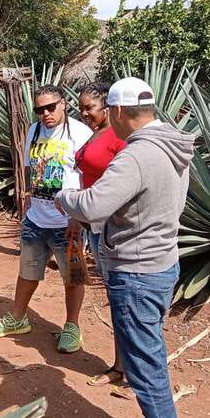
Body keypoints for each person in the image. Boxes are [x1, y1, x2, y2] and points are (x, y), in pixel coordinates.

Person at [55, 77, 195, 418]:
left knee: (145, 366)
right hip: (163, 261)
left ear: (116, 111)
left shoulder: (136, 155)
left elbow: (93, 205)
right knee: (147, 353)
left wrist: (64, 197)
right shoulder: (172, 144)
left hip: (136, 271)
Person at [0, 84, 93, 353]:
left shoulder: (81, 133)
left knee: (74, 277)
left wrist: (78, 216)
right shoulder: (33, 131)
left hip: (68, 222)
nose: (45, 113)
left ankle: (72, 326)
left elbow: (90, 175)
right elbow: (28, 165)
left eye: (50, 107)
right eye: (39, 109)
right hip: (36, 219)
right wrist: (28, 192)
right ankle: (18, 318)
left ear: (64, 104)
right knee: (28, 271)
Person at [75, 83, 127, 387]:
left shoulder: (119, 138)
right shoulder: (96, 133)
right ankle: (120, 365)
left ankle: (129, 369)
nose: (84, 114)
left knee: (121, 297)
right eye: (81, 108)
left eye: (89, 108)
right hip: (94, 226)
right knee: (114, 295)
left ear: (107, 107)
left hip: (111, 225)